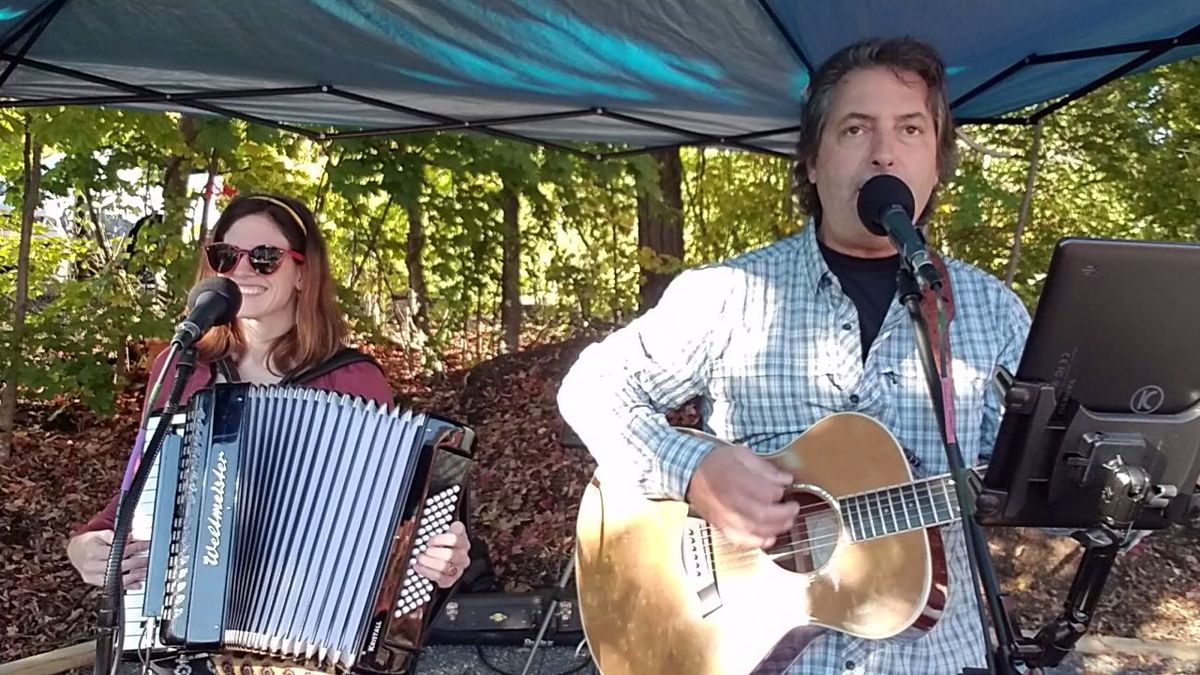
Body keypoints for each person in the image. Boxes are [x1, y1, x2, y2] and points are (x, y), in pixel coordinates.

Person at [558, 37, 1031, 674]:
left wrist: (1117, 487)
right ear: (811, 159)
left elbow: (1046, 469)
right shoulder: (728, 294)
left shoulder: (992, 311)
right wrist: (693, 470)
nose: (884, 152)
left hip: (935, 658)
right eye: (856, 128)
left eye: (911, 129)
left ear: (937, 163)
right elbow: (591, 388)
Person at [66, 194, 472, 661]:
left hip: (308, 649)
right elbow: (140, 489)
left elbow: (397, 526)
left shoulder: (351, 379)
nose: (242, 270)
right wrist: (87, 545)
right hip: (181, 645)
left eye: (265, 258)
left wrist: (437, 561)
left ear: (303, 272)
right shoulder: (182, 368)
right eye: (226, 256)